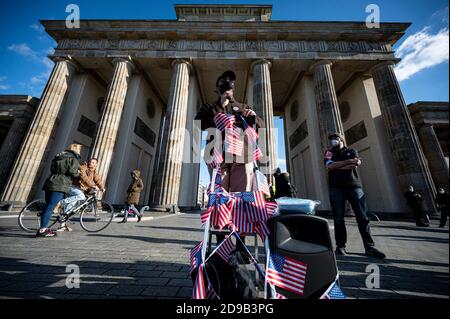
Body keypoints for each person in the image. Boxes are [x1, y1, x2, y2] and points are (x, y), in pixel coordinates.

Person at [195, 70, 264, 261]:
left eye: (230, 85)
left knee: (242, 199)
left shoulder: (242, 107)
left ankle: (241, 246)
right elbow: (197, 124)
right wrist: (219, 106)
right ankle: (222, 245)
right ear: (218, 88)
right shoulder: (210, 107)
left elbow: (259, 125)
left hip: (242, 157)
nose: (228, 88)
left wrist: (254, 116)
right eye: (224, 85)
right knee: (219, 199)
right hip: (219, 159)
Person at [324, 133, 385, 259]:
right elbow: (329, 165)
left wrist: (339, 165)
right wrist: (347, 162)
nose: (332, 141)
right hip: (336, 187)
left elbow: (354, 164)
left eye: (335, 139)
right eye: (331, 139)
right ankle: (340, 247)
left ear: (341, 139)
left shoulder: (352, 150)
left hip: (354, 186)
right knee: (338, 219)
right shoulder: (329, 152)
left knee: (362, 217)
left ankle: (369, 247)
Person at [37, 144, 82, 238]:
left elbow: (52, 169)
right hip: (60, 184)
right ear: (76, 150)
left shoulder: (58, 157)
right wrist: (78, 173)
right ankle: (42, 230)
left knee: (48, 205)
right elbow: (73, 172)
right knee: (51, 207)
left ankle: (43, 227)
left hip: (50, 181)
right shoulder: (73, 159)